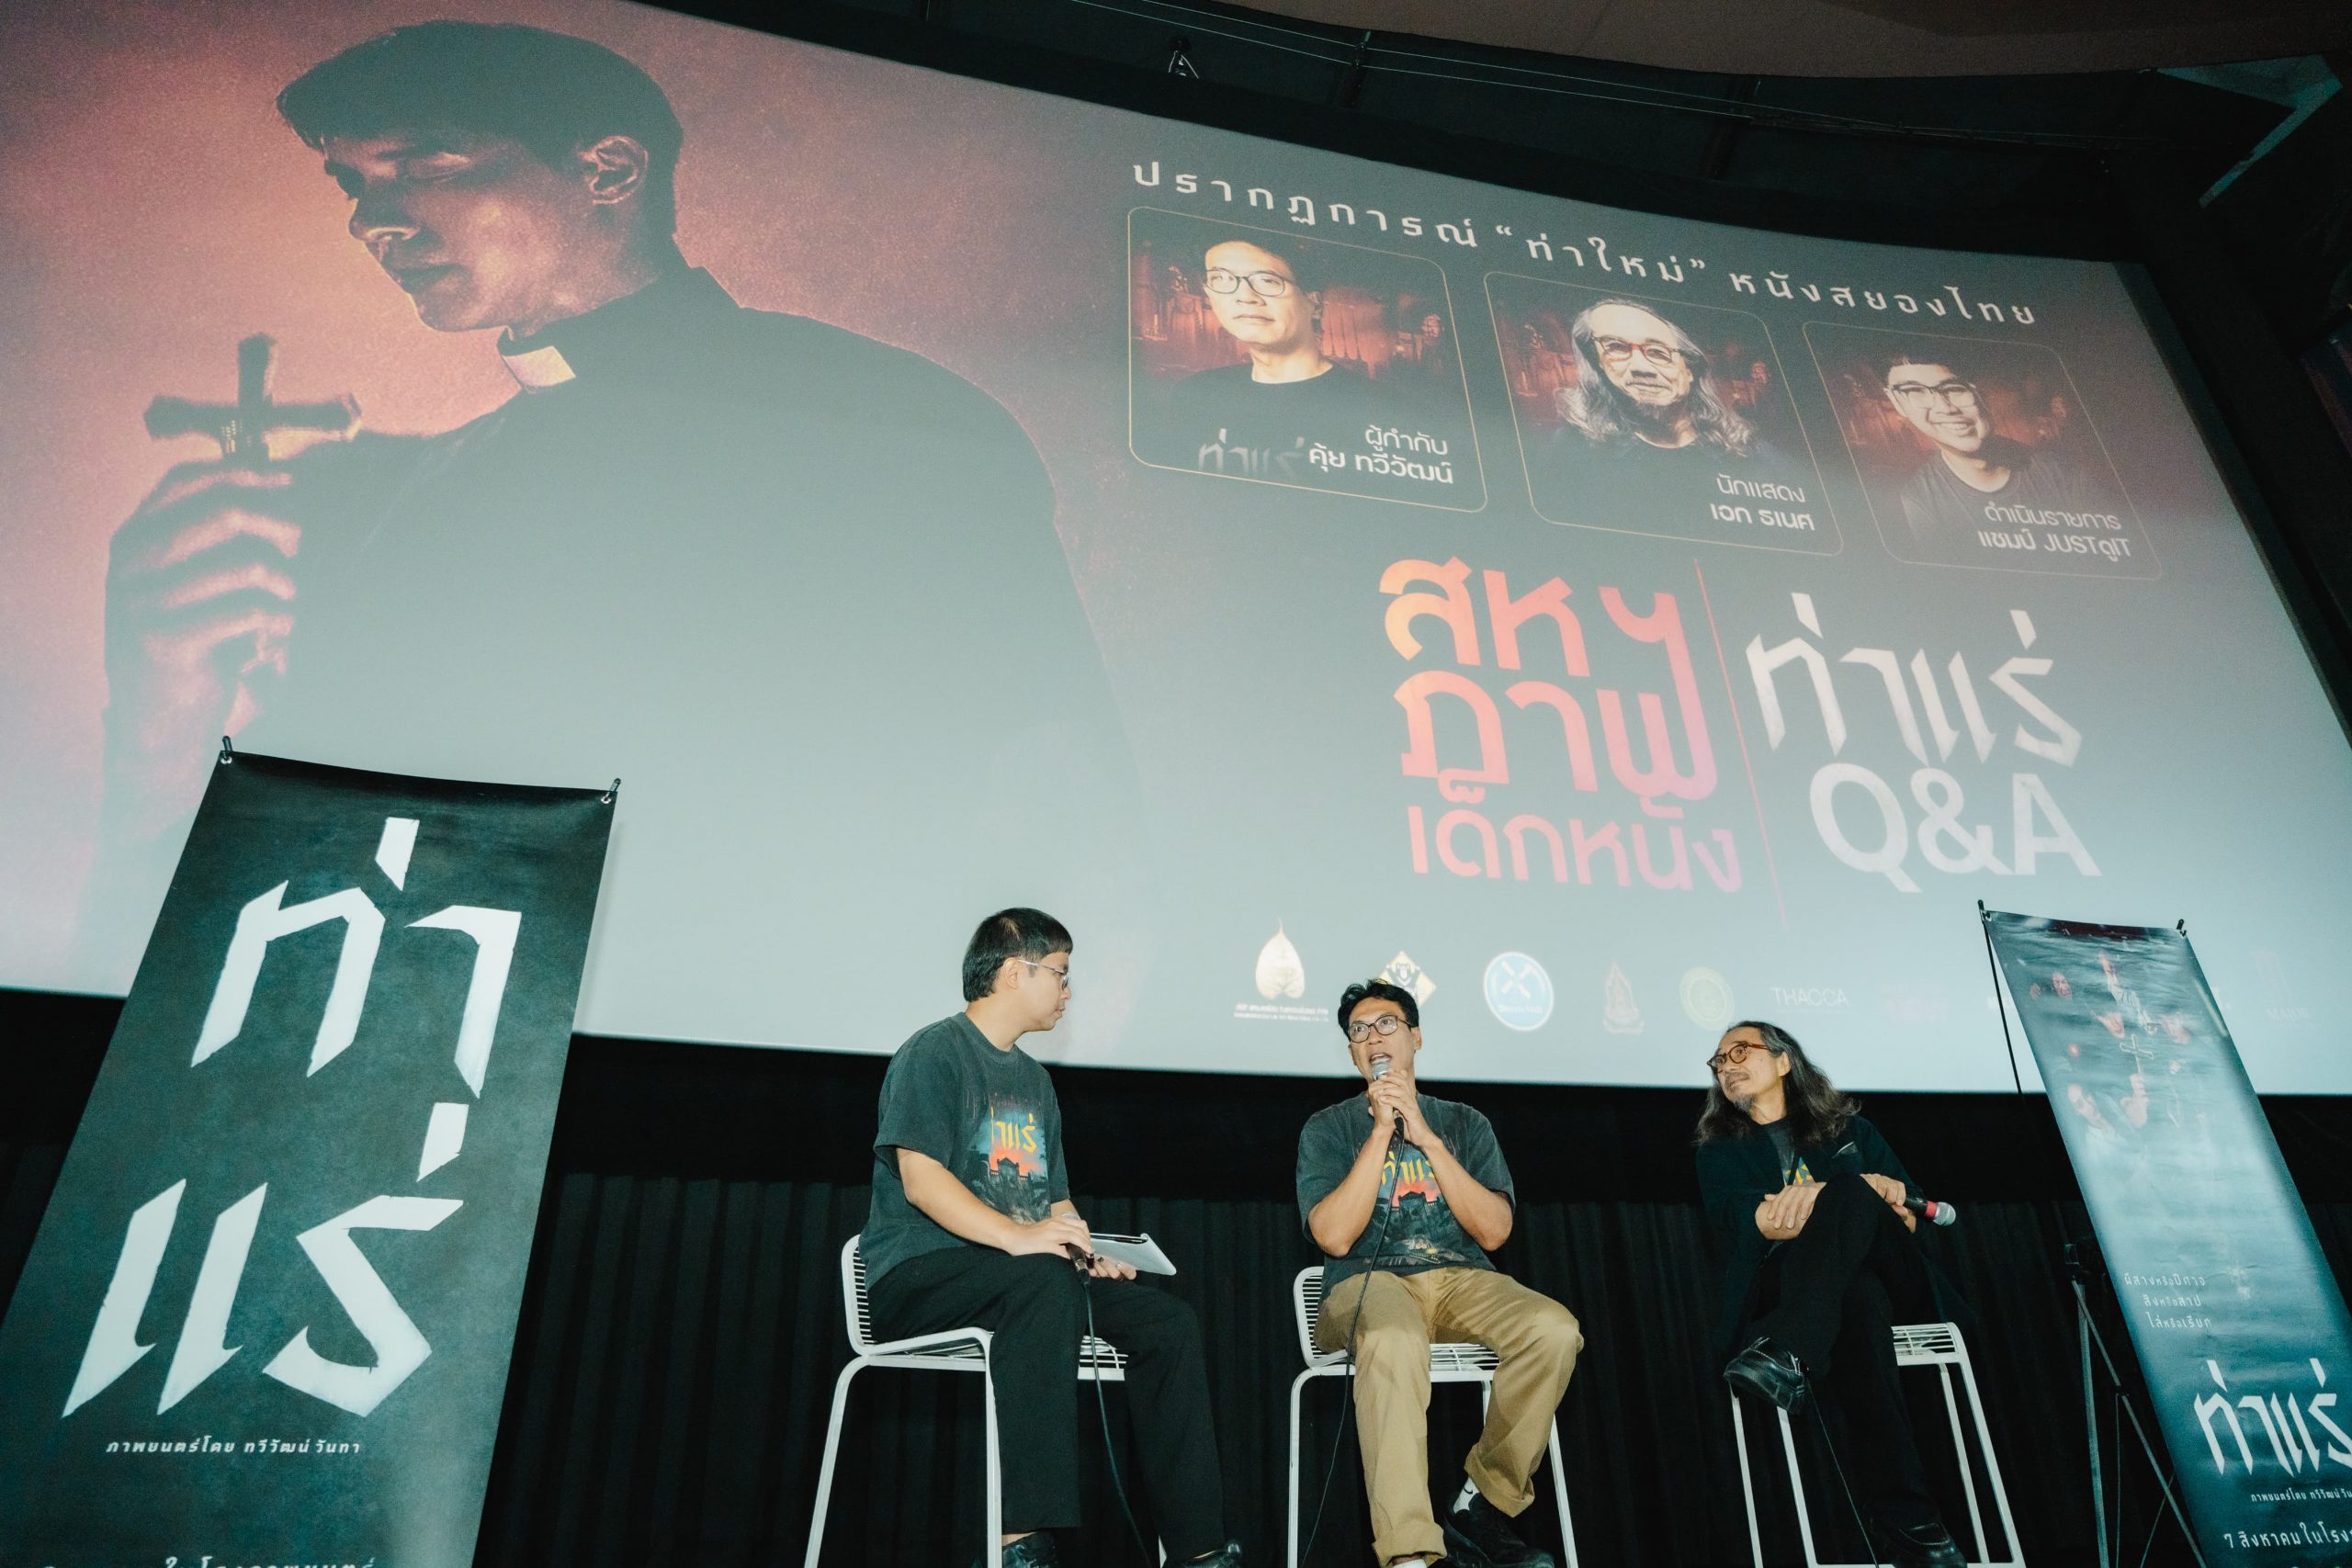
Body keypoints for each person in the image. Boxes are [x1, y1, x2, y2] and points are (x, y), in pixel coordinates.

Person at [91, 22, 1143, 1039]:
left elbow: (1061, 807)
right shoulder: (406, 500)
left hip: (799, 1057)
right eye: (353, 183)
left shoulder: (889, 420)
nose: (373, 220)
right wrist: (162, 713)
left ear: (607, 170)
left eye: (424, 165)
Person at [863, 908, 1241, 1568]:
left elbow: (1053, 1199)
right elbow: (921, 1181)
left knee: (1167, 1323)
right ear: (1015, 971)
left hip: (1022, 1278)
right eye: (1061, 974)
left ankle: (1197, 1549)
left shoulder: (1035, 1081)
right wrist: (1021, 1239)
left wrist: (1083, 1249)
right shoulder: (934, 1052)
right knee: (1040, 1282)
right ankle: (1021, 1538)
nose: (1069, 990)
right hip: (920, 1275)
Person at [1295, 979, 1582, 1568]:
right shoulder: (1328, 1128)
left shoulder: (1464, 1123)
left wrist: (1424, 1134)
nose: (1372, 1036)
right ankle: (1409, 1552)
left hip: (1460, 1279)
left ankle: (1486, 1500)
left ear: (1416, 1037)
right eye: (1358, 1030)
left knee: (1553, 1330)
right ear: (1351, 1052)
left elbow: (1495, 1232)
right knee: (1393, 1336)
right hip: (1365, 1284)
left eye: (1387, 1023)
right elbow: (1334, 1236)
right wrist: (1382, 1129)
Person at [1696, 1021, 1967, 1568]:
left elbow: (1908, 1221)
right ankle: (1912, 1525)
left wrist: (1835, 1198)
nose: (1727, 1066)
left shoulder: (1851, 1130)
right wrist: (1850, 1197)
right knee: (1857, 1301)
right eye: (1719, 1061)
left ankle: (1786, 1349)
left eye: (1740, 1051)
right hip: (1807, 1292)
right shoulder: (1720, 1151)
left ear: (1783, 1061)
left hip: (1897, 1277)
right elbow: (1753, 1224)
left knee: (1853, 1198)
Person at [1530, 299, 1807, 537]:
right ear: (1595, 367)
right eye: (1616, 348)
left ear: (1690, 370)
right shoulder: (1571, 452)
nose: (1642, 368)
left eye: (1658, 353)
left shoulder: (1758, 460)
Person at [1877, 350, 2121, 560]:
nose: (1945, 408)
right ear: (1896, 403)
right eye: (1915, 392)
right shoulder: (1919, 501)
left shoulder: (2061, 472)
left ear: (1980, 393)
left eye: (1954, 389)